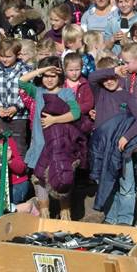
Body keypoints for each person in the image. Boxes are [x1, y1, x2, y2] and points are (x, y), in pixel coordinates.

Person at [88, 57, 137, 225]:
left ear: (121, 75)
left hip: (122, 149)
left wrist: (126, 137)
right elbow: (92, 76)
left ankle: (125, 220)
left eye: (112, 77)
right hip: (101, 147)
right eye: (105, 78)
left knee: (126, 184)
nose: (108, 81)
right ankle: (111, 218)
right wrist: (113, 71)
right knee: (107, 183)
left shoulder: (127, 97)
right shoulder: (100, 92)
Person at [20, 58, 83, 219]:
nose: (49, 79)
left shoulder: (66, 92)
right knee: (40, 179)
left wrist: (54, 120)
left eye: (53, 76)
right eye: (46, 76)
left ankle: (65, 210)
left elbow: (75, 113)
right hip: (39, 145)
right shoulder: (38, 92)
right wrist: (43, 69)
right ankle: (44, 211)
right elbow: (21, 81)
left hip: (59, 144)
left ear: (60, 76)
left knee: (62, 177)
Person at [0, 38, 31, 155]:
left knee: (19, 145)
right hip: (2, 116)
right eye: (2, 56)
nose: (4, 59)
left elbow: (26, 92)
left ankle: (21, 171)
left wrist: (15, 107)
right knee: (2, 144)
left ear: (17, 55)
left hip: (19, 116)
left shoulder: (25, 71)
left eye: (8, 56)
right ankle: (5, 170)